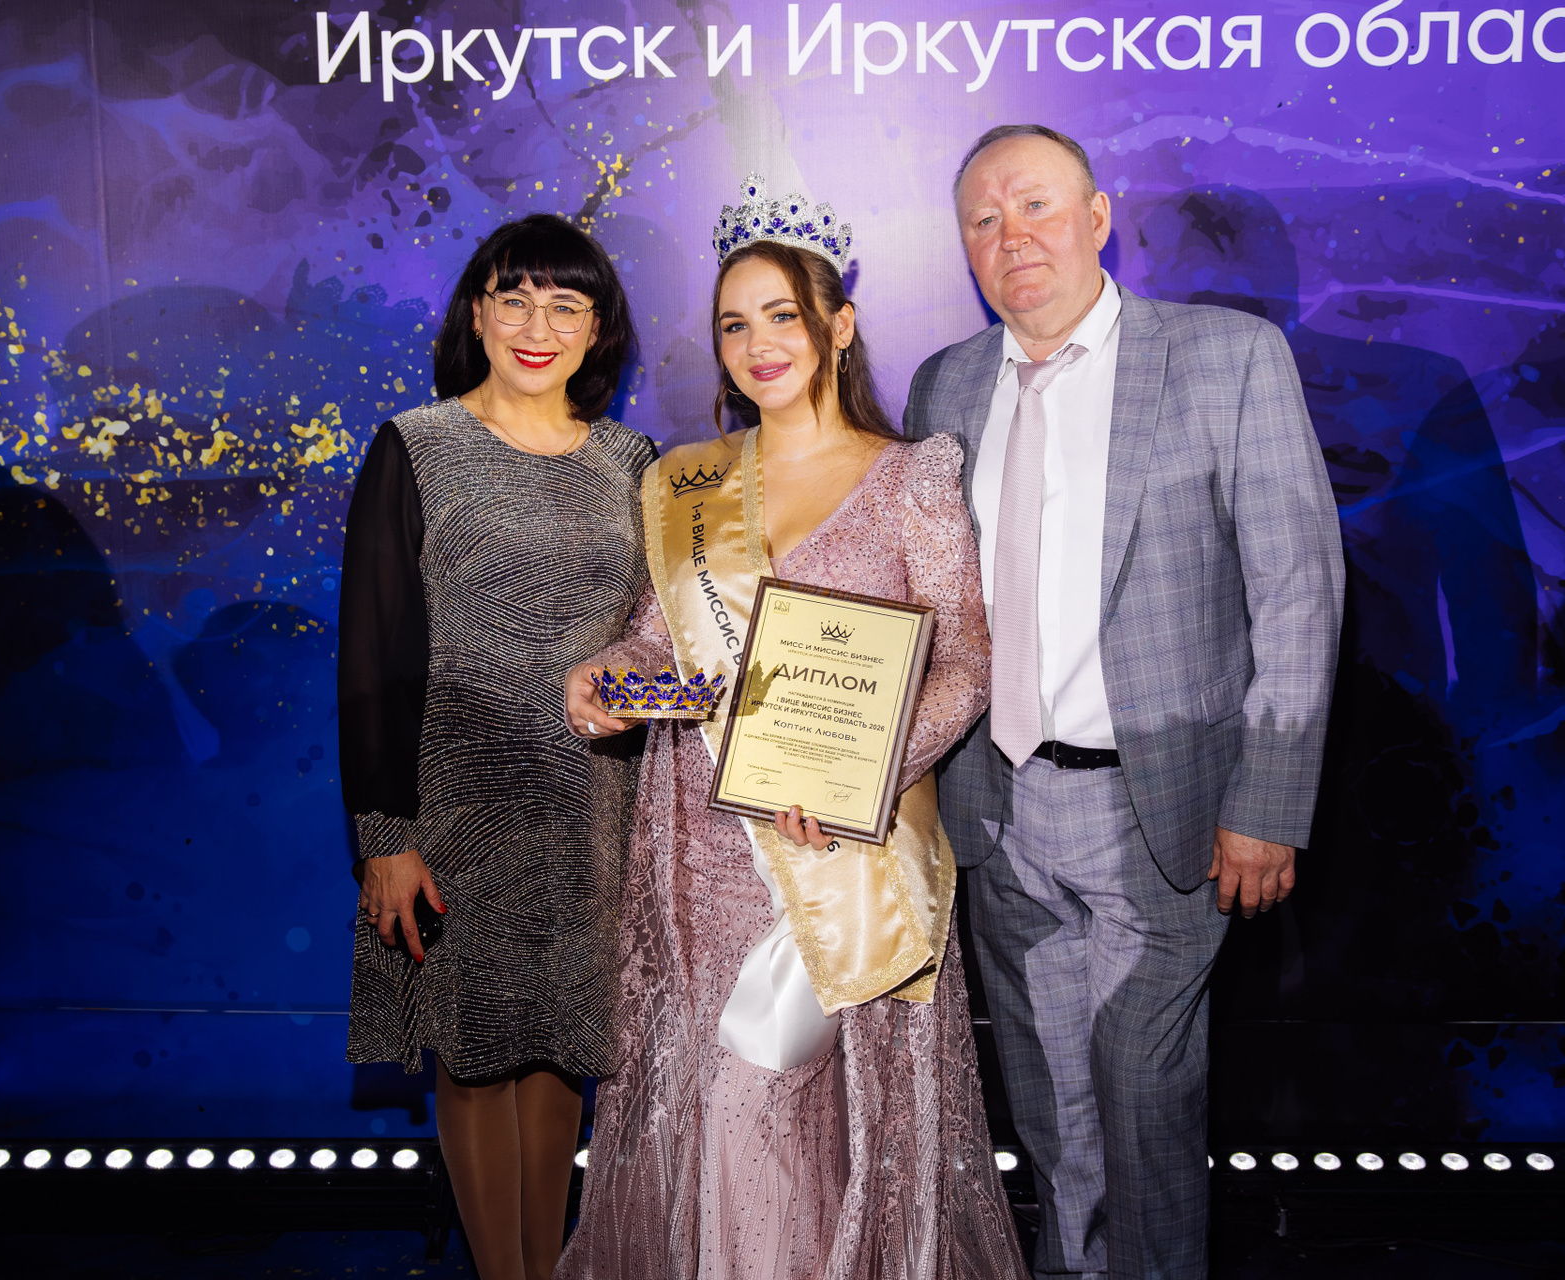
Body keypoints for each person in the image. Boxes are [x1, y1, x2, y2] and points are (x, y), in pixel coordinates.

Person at [555, 176, 1026, 1280]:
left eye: (783, 315)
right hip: (706, 855)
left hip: (842, 848)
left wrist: (868, 776)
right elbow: (665, 650)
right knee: (733, 1114)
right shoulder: (687, 482)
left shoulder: (911, 477)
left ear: (838, 325)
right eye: (734, 324)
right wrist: (606, 681)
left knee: (778, 1095)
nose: (759, 344)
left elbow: (966, 660)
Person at [904, 126, 1343, 1278]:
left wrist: (1269, 800)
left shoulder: (1226, 357)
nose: (1013, 236)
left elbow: (1298, 590)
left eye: (1037, 206)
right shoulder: (946, 383)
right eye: (984, 220)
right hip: (998, 811)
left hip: (1163, 813)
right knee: (1052, 1116)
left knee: (1145, 1099)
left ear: (1098, 218)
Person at [338, 213, 656, 1280]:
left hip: (589, 820)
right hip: (454, 815)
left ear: (598, 329)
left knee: (565, 1047)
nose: (537, 326)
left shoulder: (632, 461)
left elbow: (659, 635)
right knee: (473, 1053)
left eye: (566, 305)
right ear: (476, 314)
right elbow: (372, 657)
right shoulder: (416, 445)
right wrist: (385, 837)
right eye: (513, 299)